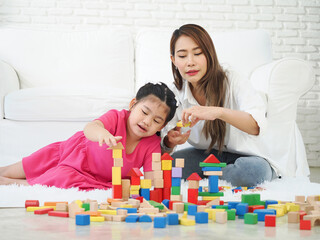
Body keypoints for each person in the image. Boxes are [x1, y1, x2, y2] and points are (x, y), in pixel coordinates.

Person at [0, 82, 177, 190]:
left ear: (162, 126)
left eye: (156, 121)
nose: (147, 121)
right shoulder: (117, 117)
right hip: (74, 155)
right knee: (30, 164)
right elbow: (91, 127)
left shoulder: (152, 144)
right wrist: (102, 134)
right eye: (144, 112)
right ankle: (5, 172)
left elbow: (151, 178)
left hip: (91, 177)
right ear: (133, 105)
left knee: (61, 178)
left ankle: (13, 185)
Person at [161, 24, 277, 187]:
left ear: (209, 55)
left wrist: (219, 112)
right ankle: (216, 178)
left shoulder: (233, 80)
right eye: (182, 56)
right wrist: (170, 141)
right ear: (173, 60)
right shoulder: (174, 93)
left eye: (198, 53)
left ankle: (211, 178)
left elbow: (256, 126)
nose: (190, 62)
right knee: (166, 167)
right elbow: (163, 140)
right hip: (204, 156)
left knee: (250, 173)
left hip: (246, 157)